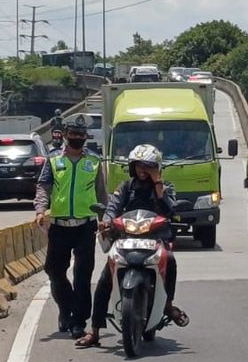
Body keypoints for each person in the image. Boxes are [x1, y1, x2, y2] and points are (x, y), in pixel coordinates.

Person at [76, 144, 188, 349]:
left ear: (157, 167)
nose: (142, 170)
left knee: (170, 261)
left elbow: (171, 209)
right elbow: (112, 207)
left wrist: (158, 185)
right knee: (105, 277)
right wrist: (106, 221)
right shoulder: (126, 187)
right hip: (127, 237)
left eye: (148, 166)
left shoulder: (165, 187)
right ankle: (94, 330)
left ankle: (168, 305)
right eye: (138, 166)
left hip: (156, 238)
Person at [34, 115, 107, 338]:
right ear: (65, 135)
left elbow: (102, 192)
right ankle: (66, 309)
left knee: (83, 275)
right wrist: (40, 210)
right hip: (59, 225)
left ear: (86, 137)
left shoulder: (94, 161)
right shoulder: (54, 159)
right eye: (73, 134)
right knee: (54, 271)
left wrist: (105, 218)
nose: (76, 138)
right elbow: (44, 187)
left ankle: (79, 322)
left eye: (80, 135)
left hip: (85, 226)